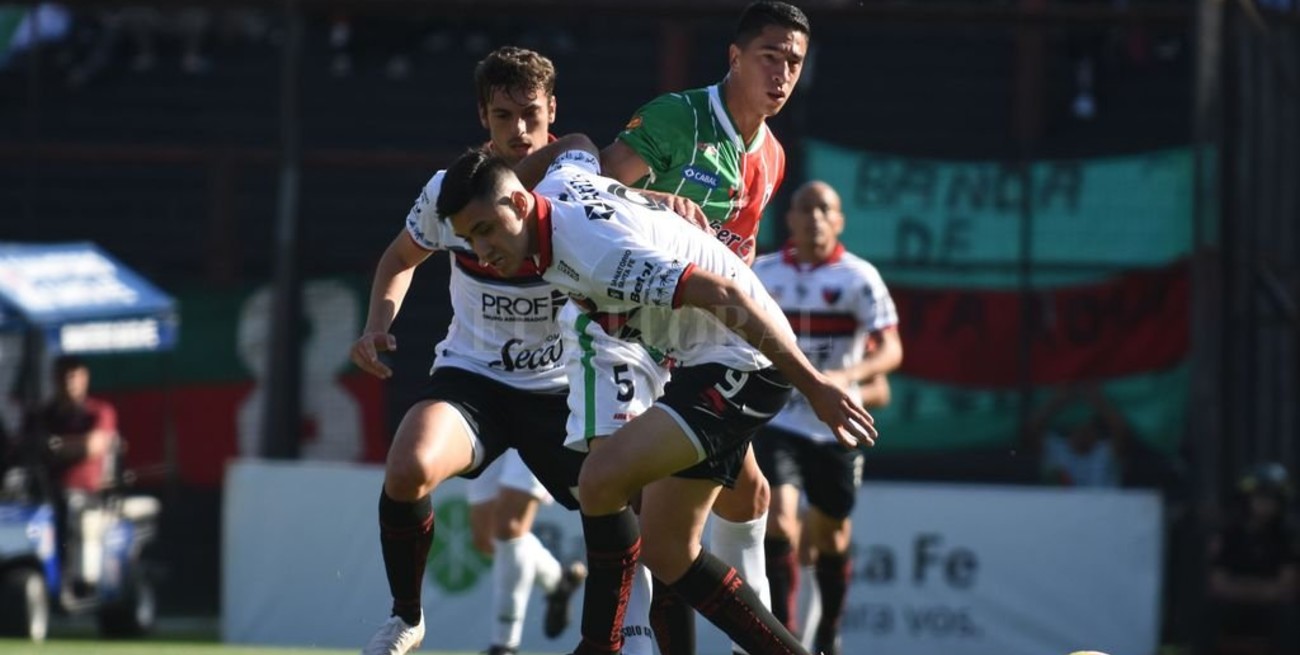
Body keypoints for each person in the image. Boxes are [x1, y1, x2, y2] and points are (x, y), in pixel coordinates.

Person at [436, 134, 877, 655]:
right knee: (667, 549)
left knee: (601, 480)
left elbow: (725, 294)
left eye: (487, 230)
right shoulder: (559, 184)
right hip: (708, 363)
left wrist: (816, 386)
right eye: (471, 240)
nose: (484, 252)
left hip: (743, 364)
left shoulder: (595, 250)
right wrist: (510, 173)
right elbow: (575, 143)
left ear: (517, 202)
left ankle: (599, 644)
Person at [352, 47, 590, 655]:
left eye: (530, 115)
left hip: (562, 389)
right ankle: (407, 617)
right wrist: (378, 323)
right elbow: (398, 259)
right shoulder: (452, 190)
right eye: (503, 116)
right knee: (407, 467)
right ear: (484, 116)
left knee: (643, 518)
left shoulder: (579, 183)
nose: (518, 131)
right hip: (474, 379)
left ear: (552, 110)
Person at [598, 3, 811, 652]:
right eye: (770, 56)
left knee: (743, 497)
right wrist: (656, 199)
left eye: (794, 63)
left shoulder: (769, 155)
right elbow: (591, 192)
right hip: (625, 339)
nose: (781, 73)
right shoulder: (678, 118)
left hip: (701, 348)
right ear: (735, 57)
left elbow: (734, 258)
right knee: (654, 519)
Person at [751, 181, 902, 655]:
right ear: (789, 219)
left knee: (830, 534)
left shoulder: (860, 278)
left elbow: (893, 350)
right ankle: (784, 633)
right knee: (778, 518)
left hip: (836, 424)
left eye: (825, 209)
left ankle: (830, 632)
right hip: (778, 420)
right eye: (804, 208)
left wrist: (848, 375)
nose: (814, 217)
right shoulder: (761, 272)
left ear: (839, 222)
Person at [22, 355, 119, 595]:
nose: (69, 381)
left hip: (84, 492)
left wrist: (56, 447)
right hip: (43, 488)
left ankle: (65, 577)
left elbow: (92, 446)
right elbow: (27, 445)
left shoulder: (98, 412)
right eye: (64, 375)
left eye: (74, 375)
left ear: (85, 378)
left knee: (66, 504)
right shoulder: (44, 414)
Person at [1201, 462, 1300, 655]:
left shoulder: (1285, 539)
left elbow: (1286, 588)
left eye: (1272, 498)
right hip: (1233, 608)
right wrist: (1263, 589)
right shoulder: (1229, 536)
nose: (1265, 503)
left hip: (1271, 612)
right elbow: (1217, 584)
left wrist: (1240, 587)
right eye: (1260, 496)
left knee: (1290, 617)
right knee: (1209, 614)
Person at [1023, 383, 1130, 488]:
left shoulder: (1104, 452)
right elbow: (1032, 428)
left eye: (1089, 429)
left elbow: (1120, 429)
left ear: (1095, 432)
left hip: (1104, 505)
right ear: (1071, 429)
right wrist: (1059, 399)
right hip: (1058, 505)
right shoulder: (1055, 449)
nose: (1084, 433)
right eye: (1080, 428)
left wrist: (1096, 398)